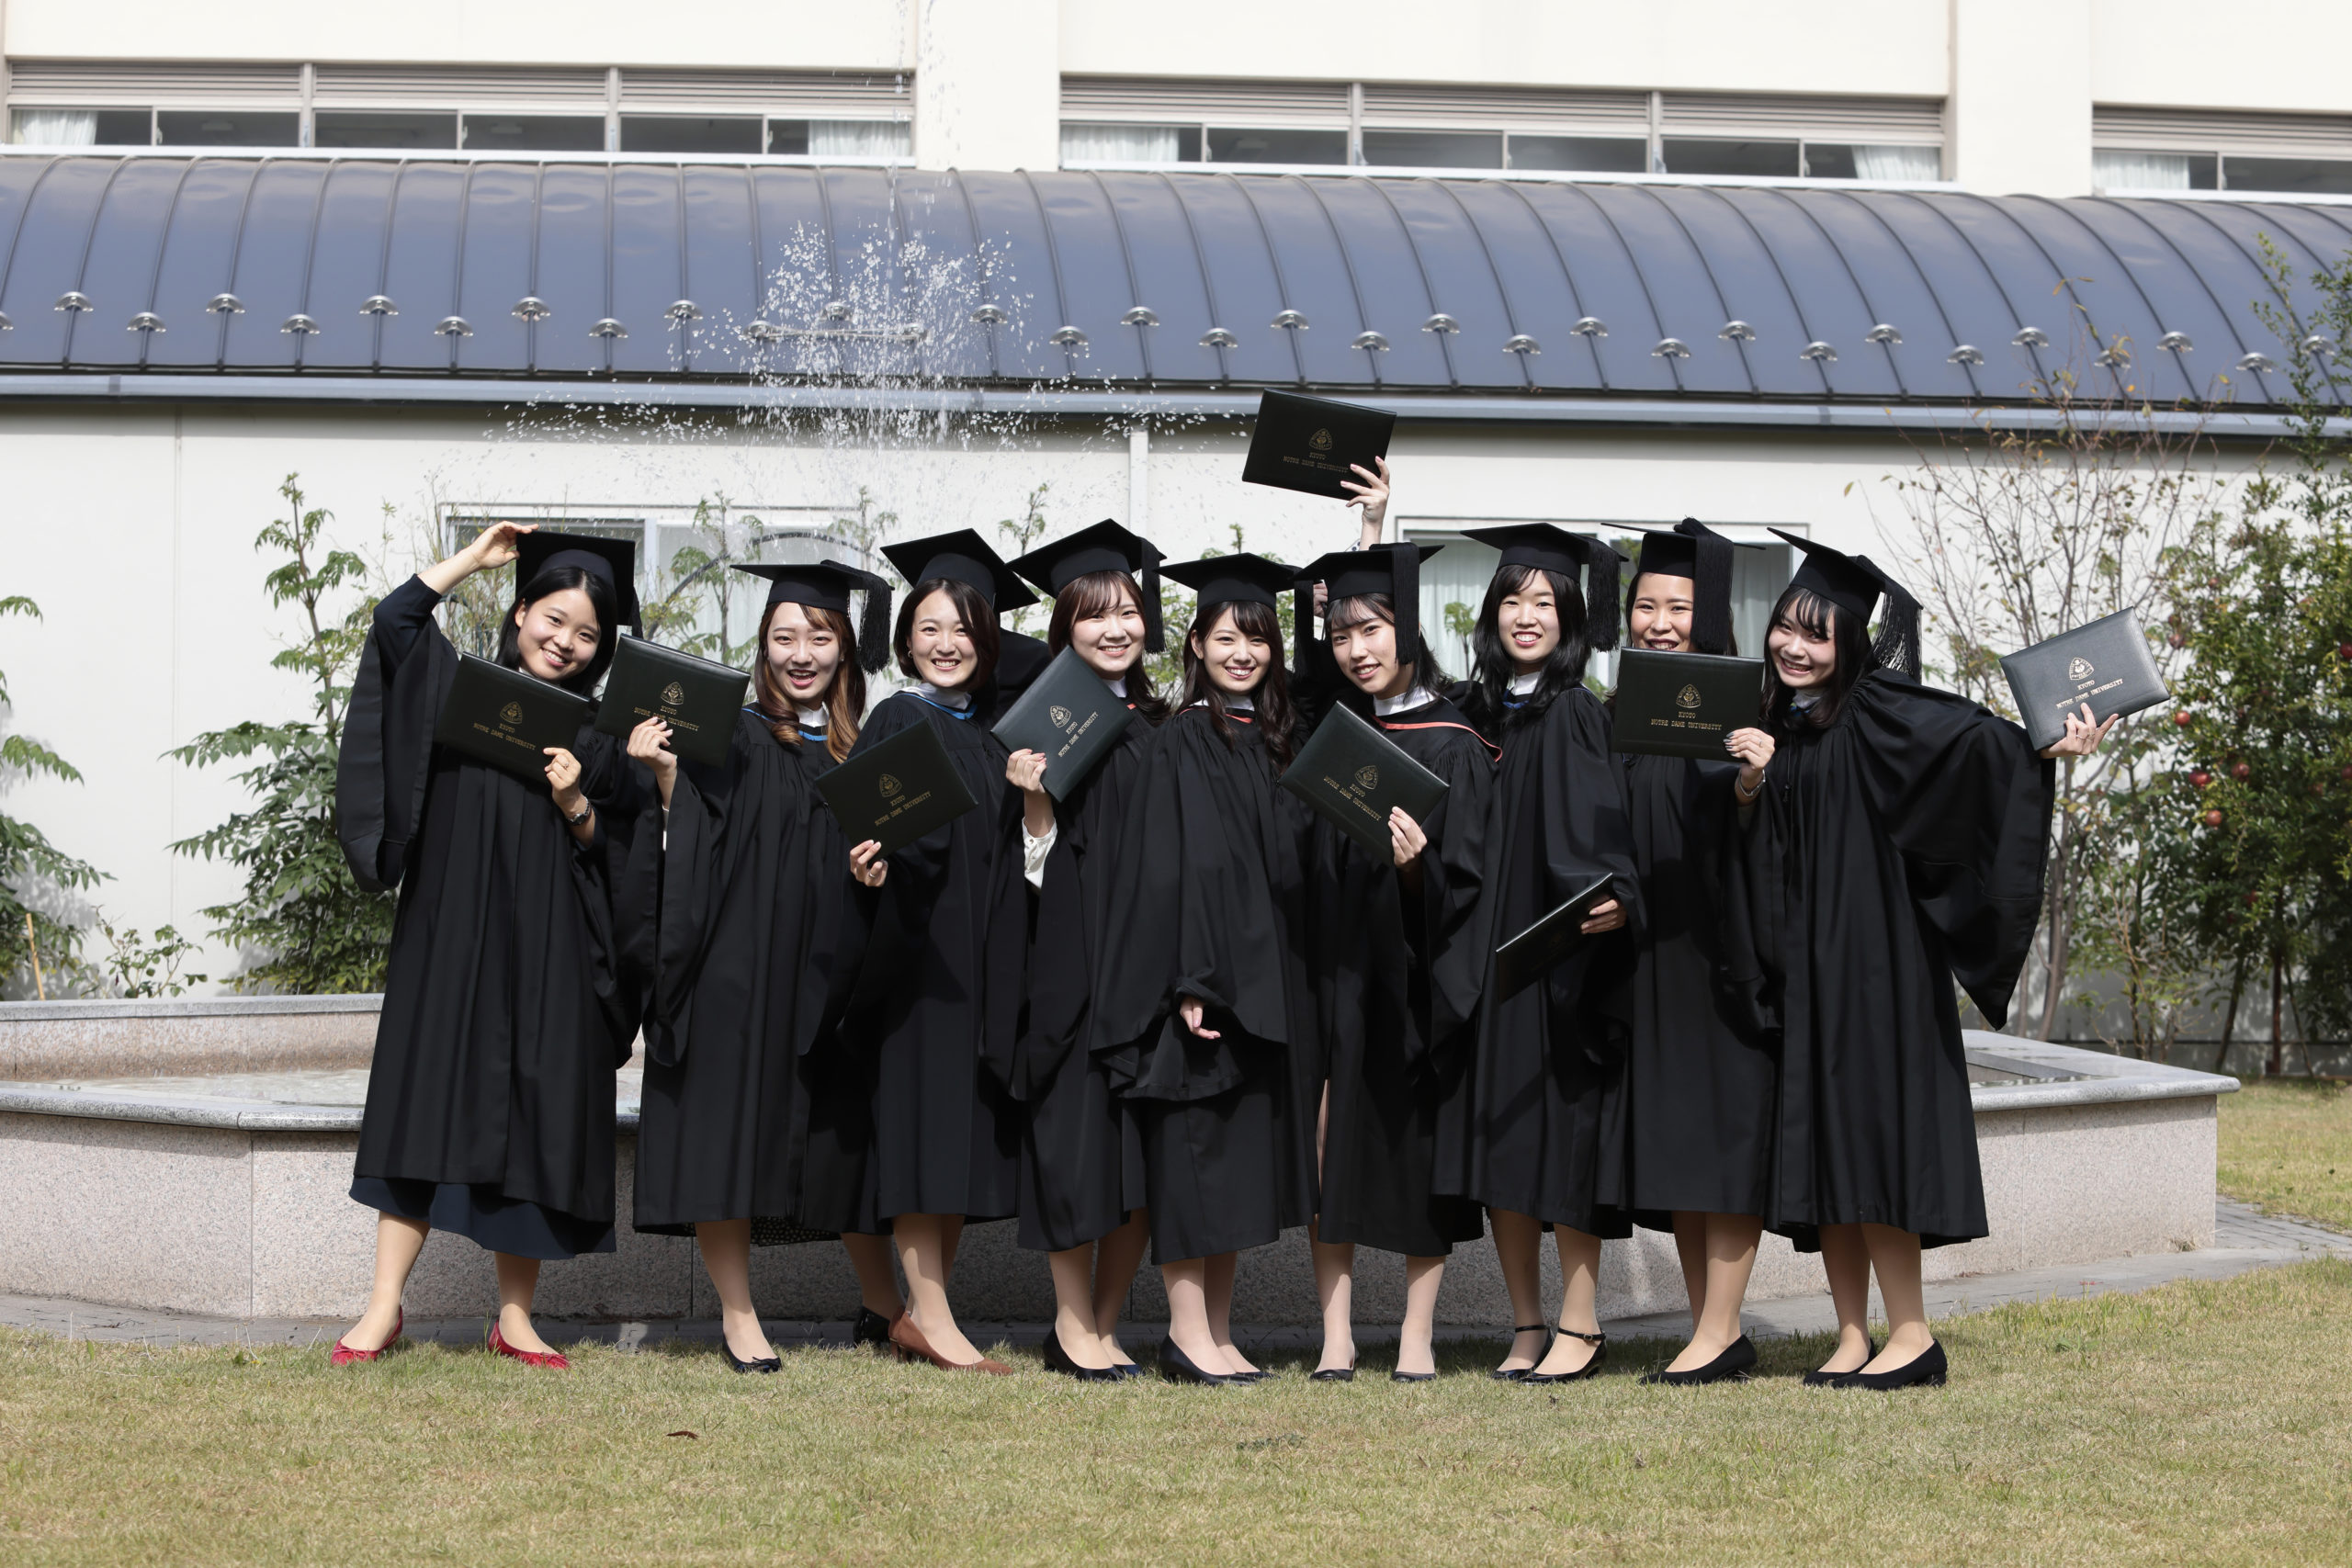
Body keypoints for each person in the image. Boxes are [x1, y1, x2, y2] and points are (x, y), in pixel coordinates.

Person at [1727, 532, 2110, 1390]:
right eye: (1787, 626)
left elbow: (1980, 746)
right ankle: (1851, 1334)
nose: (1795, 645)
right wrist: (1758, 777)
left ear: (1850, 645)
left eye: (1817, 634)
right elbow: (1761, 844)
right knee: (1828, 1144)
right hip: (1809, 967)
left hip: (1876, 967)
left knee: (1878, 1139)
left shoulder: (1880, 707)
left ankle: (1913, 1334)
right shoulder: (1777, 719)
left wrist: (2046, 747)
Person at [331, 525, 646, 1370]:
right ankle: (382, 1307)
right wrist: (470, 558)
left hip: (548, 955)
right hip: (453, 938)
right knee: (422, 1106)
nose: (566, 642)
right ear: (517, 616)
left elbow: (612, 854)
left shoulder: (600, 738)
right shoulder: (461, 690)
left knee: (533, 1121)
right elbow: (397, 623)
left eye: (587, 634)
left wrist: (579, 800)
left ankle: (516, 1319)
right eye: (553, 619)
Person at [616, 560, 893, 1372]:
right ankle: (739, 1316)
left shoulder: (863, 750)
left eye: (820, 636)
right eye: (784, 637)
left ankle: (885, 1305)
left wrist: (875, 875)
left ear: (845, 649)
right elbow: (691, 840)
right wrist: (668, 779)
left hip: (823, 978)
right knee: (725, 1134)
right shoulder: (729, 734)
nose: (801, 652)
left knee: (841, 1135)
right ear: (761, 645)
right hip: (737, 971)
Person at [1090, 553, 1319, 1385]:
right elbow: (1171, 868)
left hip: (1260, 983)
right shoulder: (1184, 738)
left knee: (1232, 1168)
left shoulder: (1275, 741)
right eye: (1226, 637)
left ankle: (1217, 1331)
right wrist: (1189, 979)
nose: (1242, 652)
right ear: (1195, 643)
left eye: (1257, 639)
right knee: (1193, 1158)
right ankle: (1187, 1332)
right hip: (1202, 986)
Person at [1442, 524, 1638, 1384]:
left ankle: (1581, 1323)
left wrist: (1612, 896)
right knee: (1501, 1144)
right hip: (1487, 964)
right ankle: (1525, 1323)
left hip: (1555, 968)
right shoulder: (1476, 711)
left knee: (1562, 1146)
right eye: (1514, 600)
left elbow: (1604, 837)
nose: (1529, 616)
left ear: (1571, 619)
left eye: (1547, 602)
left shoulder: (1575, 714)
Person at [1293, 538, 1493, 1382]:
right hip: (1334, 965)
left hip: (1414, 972)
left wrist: (1419, 872)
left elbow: (1471, 879)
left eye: (1372, 629)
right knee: (1327, 1144)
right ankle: (1335, 1332)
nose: (1357, 649)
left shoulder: (1453, 740)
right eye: (1342, 635)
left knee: (1416, 1147)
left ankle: (1418, 1332)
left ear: (1407, 628)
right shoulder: (1331, 733)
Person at [843, 529, 1039, 1376]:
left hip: (983, 958)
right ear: (904, 640)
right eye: (927, 627)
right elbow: (874, 835)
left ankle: (927, 1308)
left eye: (964, 626)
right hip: (920, 957)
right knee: (926, 1131)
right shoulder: (898, 714)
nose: (946, 643)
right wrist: (870, 865)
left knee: (956, 1135)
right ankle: (930, 1314)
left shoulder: (999, 733)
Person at [1603, 519, 1780, 1385]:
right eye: (1647, 605)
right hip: (1649, 961)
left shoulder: (1748, 711)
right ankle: (1711, 1330)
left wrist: (1751, 783)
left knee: (1727, 1141)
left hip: (1724, 957)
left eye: (1678, 606)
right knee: (1678, 1141)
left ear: (1707, 616)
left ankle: (1719, 1328)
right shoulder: (1622, 713)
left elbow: (1762, 836)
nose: (1660, 622)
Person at [1002, 520, 1170, 1381]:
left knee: (1138, 1162)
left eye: (1129, 613)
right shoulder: (1041, 730)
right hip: (1070, 964)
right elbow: (1028, 874)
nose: (1114, 629)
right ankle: (1070, 1323)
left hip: (1146, 970)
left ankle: (1104, 1323)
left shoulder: (1165, 728)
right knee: (1071, 1150)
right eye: (1093, 615)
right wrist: (1033, 805)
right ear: (1064, 627)